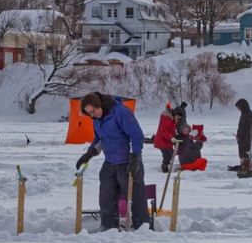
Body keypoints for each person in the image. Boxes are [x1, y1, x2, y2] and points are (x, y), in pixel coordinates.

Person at [74, 92, 148, 231]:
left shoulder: (120, 112)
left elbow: (136, 135)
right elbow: (100, 139)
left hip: (128, 162)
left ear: (99, 105)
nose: (92, 116)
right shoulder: (97, 118)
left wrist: (135, 157)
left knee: (135, 199)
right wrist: (89, 153)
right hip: (110, 162)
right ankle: (109, 228)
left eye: (93, 111)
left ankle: (143, 229)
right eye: (88, 113)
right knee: (106, 198)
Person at [153, 103, 178, 173]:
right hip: (162, 141)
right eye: (178, 117)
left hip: (167, 141)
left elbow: (172, 130)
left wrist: (174, 137)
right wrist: (171, 138)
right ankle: (164, 168)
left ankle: (166, 165)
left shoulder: (172, 119)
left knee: (171, 153)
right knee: (168, 154)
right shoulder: (166, 118)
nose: (178, 119)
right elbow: (164, 130)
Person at [235, 99, 252, 176]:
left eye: (239, 107)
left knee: (246, 153)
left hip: (247, 138)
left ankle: (247, 167)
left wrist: (248, 137)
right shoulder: (243, 114)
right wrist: (238, 135)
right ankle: (243, 166)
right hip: (241, 137)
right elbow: (240, 126)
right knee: (241, 154)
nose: (238, 109)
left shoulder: (250, 114)